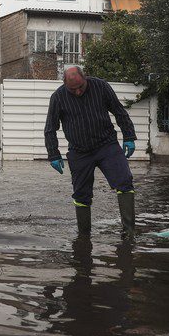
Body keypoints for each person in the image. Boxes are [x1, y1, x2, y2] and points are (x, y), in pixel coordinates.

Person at [44, 66, 137, 234]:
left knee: (124, 181)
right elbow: (50, 128)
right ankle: (83, 237)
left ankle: (129, 232)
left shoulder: (100, 86)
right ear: (65, 84)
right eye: (73, 89)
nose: (78, 91)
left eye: (81, 87)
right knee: (81, 195)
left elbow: (119, 111)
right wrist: (53, 155)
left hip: (107, 145)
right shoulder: (58, 97)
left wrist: (129, 137)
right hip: (79, 152)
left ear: (85, 78)